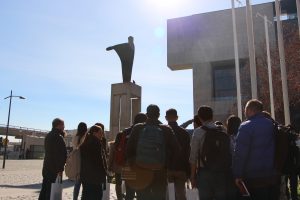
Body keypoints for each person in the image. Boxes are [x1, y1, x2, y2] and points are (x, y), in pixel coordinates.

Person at [126, 104, 181, 200]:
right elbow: (177, 150)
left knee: (143, 197)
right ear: (159, 115)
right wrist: (167, 165)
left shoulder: (138, 128)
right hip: (160, 170)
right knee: (159, 196)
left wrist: (134, 164)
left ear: (147, 114)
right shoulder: (166, 129)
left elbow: (129, 149)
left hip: (141, 169)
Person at [233, 99, 279, 200]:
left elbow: (240, 153)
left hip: (252, 176)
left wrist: (238, 174)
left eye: (245, 109)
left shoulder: (245, 126)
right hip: (270, 175)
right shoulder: (271, 124)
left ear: (250, 110)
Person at [190, 106, 230, 200]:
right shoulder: (223, 130)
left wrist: (192, 176)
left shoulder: (198, 132)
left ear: (199, 118)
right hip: (221, 171)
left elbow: (193, 156)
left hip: (204, 172)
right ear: (212, 116)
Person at [109, 113, 147, 200]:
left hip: (127, 164)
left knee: (130, 191)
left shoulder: (125, 132)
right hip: (140, 165)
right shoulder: (143, 131)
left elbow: (117, 148)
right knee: (140, 190)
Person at [39, 118, 67, 200]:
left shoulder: (49, 135)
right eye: (63, 124)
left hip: (47, 167)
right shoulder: (58, 137)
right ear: (58, 125)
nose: (64, 127)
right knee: (51, 191)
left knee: (45, 189)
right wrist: (60, 168)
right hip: (54, 169)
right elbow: (60, 155)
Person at [165, 109, 190, 200]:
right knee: (181, 194)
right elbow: (188, 153)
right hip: (181, 168)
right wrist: (189, 171)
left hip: (166, 168)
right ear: (177, 117)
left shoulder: (163, 131)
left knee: (169, 195)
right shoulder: (184, 133)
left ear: (166, 118)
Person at [80, 125, 107, 200]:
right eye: (100, 132)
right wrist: (104, 172)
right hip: (95, 177)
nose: (102, 134)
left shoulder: (85, 142)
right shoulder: (96, 143)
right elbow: (99, 161)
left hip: (85, 175)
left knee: (86, 195)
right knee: (97, 195)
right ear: (94, 133)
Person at [72, 122, 88, 200]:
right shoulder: (86, 137)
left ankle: (75, 198)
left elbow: (74, 149)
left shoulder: (75, 137)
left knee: (77, 184)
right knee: (85, 185)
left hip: (77, 163)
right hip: (85, 163)